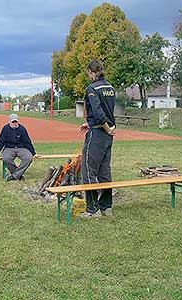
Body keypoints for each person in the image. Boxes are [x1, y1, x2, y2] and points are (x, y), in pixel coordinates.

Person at [80, 59, 116, 218]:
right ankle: (106, 206)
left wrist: (105, 127)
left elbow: (98, 112)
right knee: (104, 171)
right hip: (107, 136)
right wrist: (90, 123)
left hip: (98, 134)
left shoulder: (92, 88)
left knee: (88, 170)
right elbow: (107, 111)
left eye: (88, 73)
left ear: (92, 72)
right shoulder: (110, 87)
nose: (88, 76)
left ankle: (92, 210)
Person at [0, 113, 39, 181]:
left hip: (21, 148)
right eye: (13, 122)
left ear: (18, 121)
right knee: (6, 158)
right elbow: (0, 141)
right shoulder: (5, 129)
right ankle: (18, 175)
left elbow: (27, 142)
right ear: (9, 121)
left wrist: (34, 153)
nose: (15, 123)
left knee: (28, 158)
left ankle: (14, 176)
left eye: (16, 122)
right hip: (9, 148)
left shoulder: (22, 129)